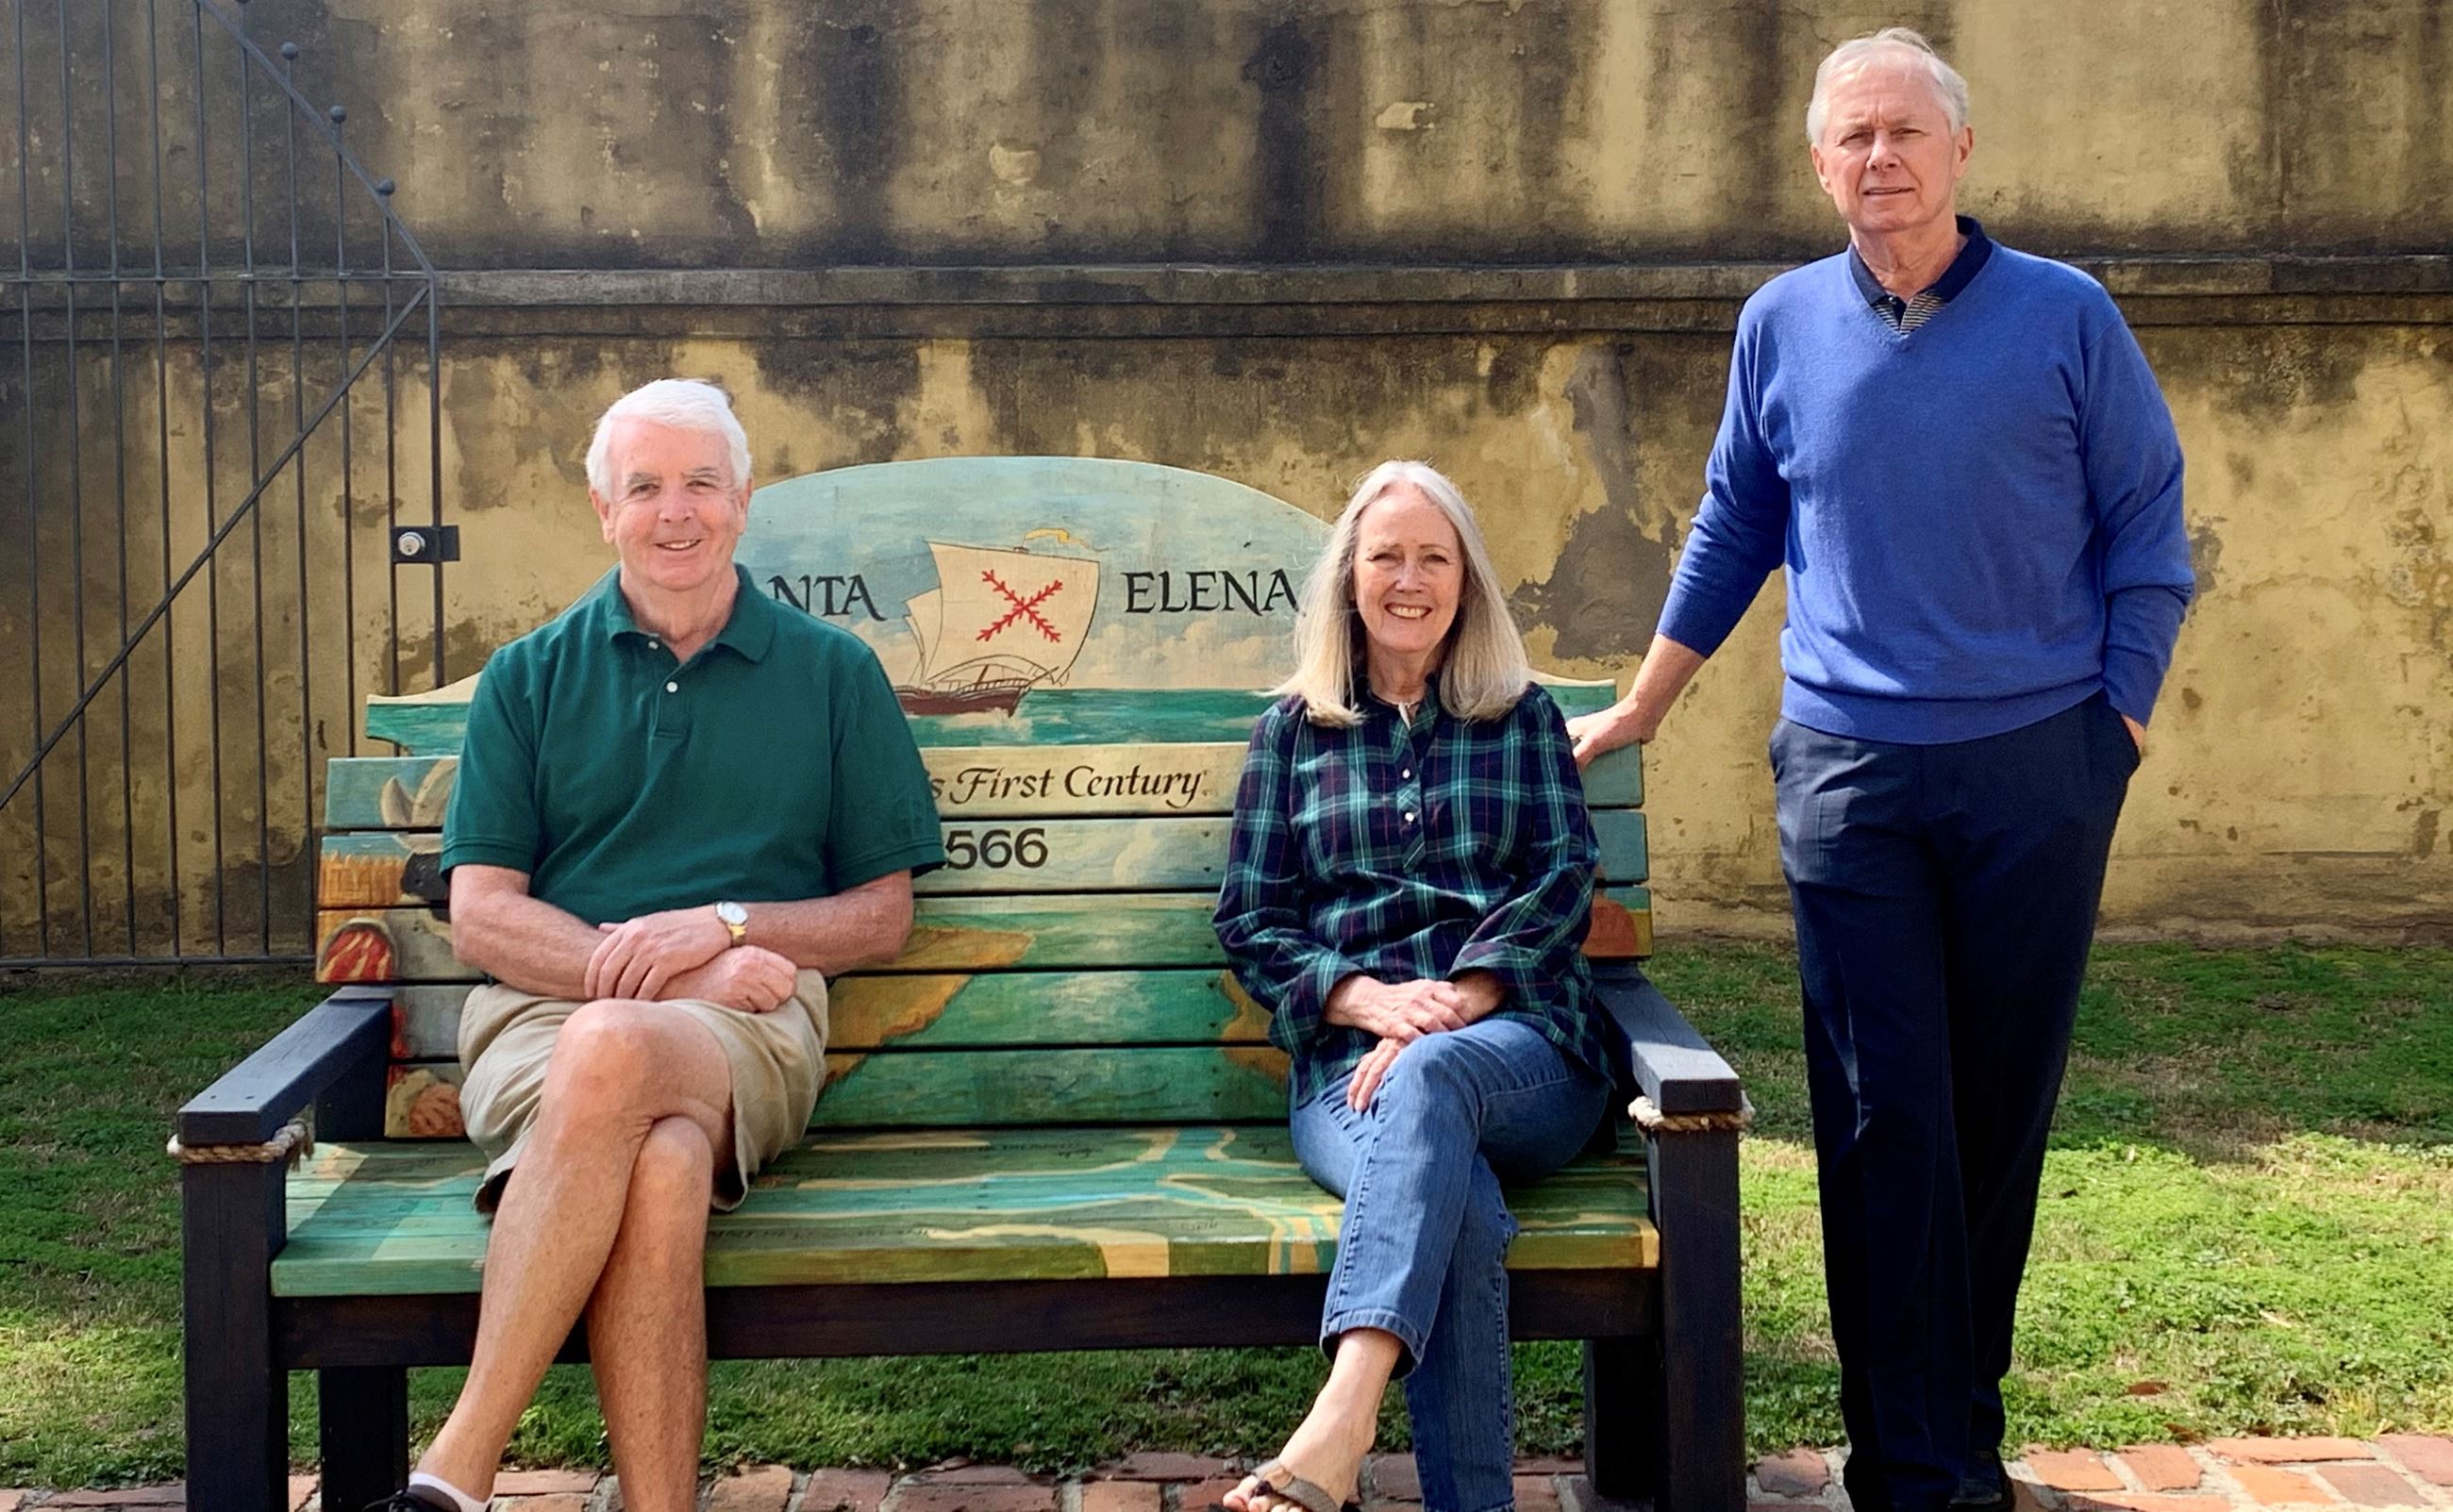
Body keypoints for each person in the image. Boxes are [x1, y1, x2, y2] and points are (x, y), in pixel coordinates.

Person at [1567, 27, 2194, 1512]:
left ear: (1961, 151)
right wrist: (1647, 704)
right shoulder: (1779, 321)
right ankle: (1904, 1458)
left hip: (2038, 765)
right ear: (1818, 162)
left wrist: (2116, 726)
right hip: (1849, 773)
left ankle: (1957, 1434)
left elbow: (2148, 531)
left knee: (1992, 1108)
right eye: (1852, 137)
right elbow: (1736, 520)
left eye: (1905, 132)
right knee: (1877, 1107)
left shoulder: (2066, 316)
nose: (1881, 159)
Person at [375, 380, 945, 1512]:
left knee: (616, 1051)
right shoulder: (530, 677)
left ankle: (457, 1464)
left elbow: (880, 915)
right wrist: (670, 964)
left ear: (744, 502)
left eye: (699, 483)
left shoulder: (831, 673)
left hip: (750, 1022)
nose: (672, 511)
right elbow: (484, 913)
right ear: (602, 507)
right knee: (664, 1157)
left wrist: (732, 930)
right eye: (644, 486)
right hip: (540, 1015)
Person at [1213, 461, 1613, 1512]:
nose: (1408, 577)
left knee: (1435, 1075)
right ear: (1348, 577)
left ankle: (1340, 1419)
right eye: (1385, 554)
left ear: (1465, 581)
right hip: (1348, 1075)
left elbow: (1563, 878)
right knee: (1463, 1209)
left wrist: (1460, 999)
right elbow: (1249, 920)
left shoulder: (1520, 719)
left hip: (1521, 1053)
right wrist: (1363, 1001)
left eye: (1432, 556)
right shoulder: (1290, 733)